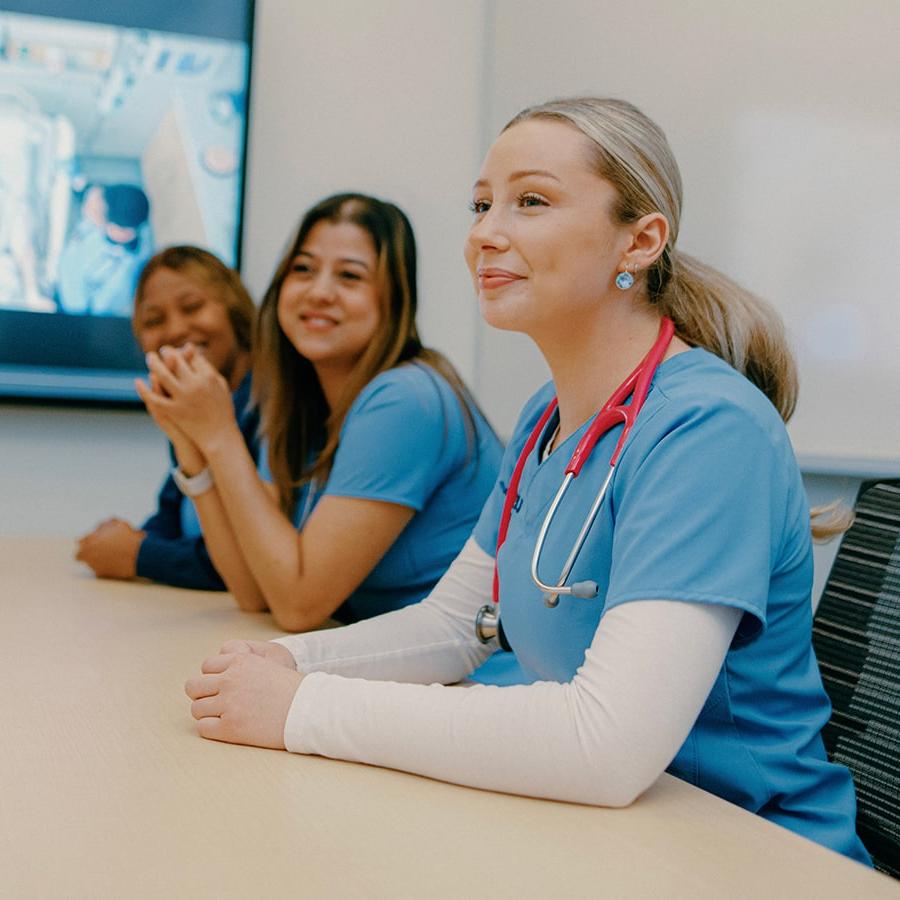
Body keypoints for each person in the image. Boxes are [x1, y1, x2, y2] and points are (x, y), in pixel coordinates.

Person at [182, 101, 871, 865]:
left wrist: (304, 709)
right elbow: (453, 627)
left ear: (640, 241)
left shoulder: (709, 429)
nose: (484, 232)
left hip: (751, 853)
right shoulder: (552, 414)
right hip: (607, 834)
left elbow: (604, 745)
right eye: (481, 205)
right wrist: (289, 663)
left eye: (531, 201)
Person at [138, 193, 501, 631]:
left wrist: (219, 434)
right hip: (393, 671)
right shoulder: (297, 400)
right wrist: (190, 441)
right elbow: (253, 590)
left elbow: (297, 606)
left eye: (349, 276)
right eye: (303, 269)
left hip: (476, 683)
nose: (319, 292)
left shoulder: (405, 399)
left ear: (394, 300)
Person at [76, 246, 258, 589]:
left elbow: (254, 561)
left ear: (235, 311)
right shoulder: (190, 406)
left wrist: (140, 554)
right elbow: (172, 514)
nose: (175, 330)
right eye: (154, 321)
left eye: (193, 307)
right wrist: (134, 539)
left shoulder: (275, 411)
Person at [56, 183, 152, 316]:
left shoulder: (123, 276)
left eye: (94, 208)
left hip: (62, 308)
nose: (87, 208)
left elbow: (87, 310)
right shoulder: (96, 226)